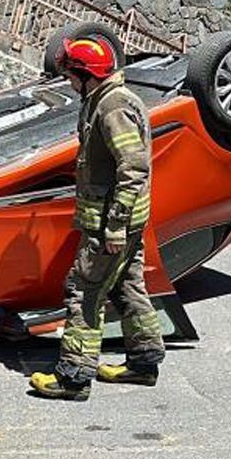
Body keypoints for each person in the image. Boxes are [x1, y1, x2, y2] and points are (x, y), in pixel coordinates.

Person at [29, 36, 164, 401]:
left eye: (71, 74)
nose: (69, 82)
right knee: (126, 286)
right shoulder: (107, 98)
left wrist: (115, 226)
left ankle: (73, 377)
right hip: (125, 220)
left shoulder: (112, 108)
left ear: (86, 75)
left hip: (111, 224)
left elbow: (133, 167)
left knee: (84, 291)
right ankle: (144, 360)